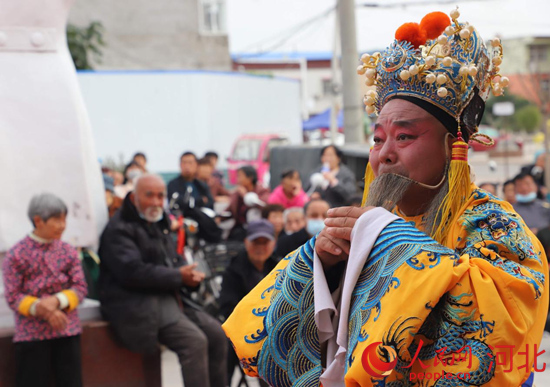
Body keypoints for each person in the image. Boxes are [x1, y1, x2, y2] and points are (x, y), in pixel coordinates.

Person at [223, 10, 548, 387]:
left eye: (404, 137)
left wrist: (386, 243)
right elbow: (274, 339)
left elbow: (502, 327)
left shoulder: (493, 224)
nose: (384, 154)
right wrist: (325, 269)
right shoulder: (368, 229)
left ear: (451, 146)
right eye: (378, 139)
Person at [98, 174, 227, 387]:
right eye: (150, 196)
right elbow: (133, 273)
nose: (157, 202)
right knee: (194, 342)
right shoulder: (118, 229)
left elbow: (171, 262)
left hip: (169, 298)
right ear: (134, 198)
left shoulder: (158, 223)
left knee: (217, 334)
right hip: (137, 304)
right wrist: (178, 276)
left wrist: (188, 276)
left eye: (161, 196)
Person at [2, 193, 88, 387]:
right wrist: (43, 310)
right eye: (57, 220)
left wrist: (57, 301)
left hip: (67, 330)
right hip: (31, 335)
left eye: (64, 219)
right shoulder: (16, 254)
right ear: (38, 221)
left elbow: (80, 287)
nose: (62, 225)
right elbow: (13, 296)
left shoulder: (68, 251)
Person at [219, 220, 279, 386]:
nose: (260, 247)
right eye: (255, 242)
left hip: (274, 328)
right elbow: (227, 306)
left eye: (265, 242)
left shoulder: (279, 267)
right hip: (241, 330)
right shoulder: (233, 270)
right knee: (225, 349)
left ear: (273, 244)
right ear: (246, 243)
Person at [228, 165, 270, 240]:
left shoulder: (262, 191)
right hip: (241, 228)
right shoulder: (237, 193)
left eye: (239, 176)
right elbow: (230, 209)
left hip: (259, 228)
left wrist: (245, 195)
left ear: (250, 178)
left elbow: (263, 206)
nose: (237, 180)